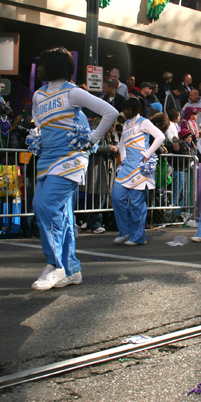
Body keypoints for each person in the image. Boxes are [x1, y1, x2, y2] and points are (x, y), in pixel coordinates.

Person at [31, 47, 119, 290]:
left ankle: (55, 265)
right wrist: (38, 140)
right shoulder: (38, 95)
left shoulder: (73, 92)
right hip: (47, 160)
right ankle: (71, 270)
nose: (38, 68)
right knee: (63, 215)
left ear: (55, 66)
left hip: (70, 160)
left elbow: (110, 112)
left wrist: (91, 140)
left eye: (43, 64)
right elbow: (39, 124)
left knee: (44, 205)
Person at [112, 98, 165, 246]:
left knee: (136, 203)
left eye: (129, 109)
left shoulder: (144, 122)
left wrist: (147, 154)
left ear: (136, 109)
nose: (126, 111)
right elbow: (122, 142)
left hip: (140, 168)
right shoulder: (126, 124)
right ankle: (125, 231)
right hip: (127, 167)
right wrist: (122, 159)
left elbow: (160, 136)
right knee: (117, 197)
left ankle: (138, 236)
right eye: (125, 109)